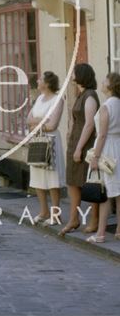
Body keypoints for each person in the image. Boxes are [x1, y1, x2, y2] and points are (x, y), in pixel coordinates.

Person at [59, 63, 100, 236]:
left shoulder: (90, 96)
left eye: (74, 72)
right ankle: (74, 218)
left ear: (81, 75)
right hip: (74, 143)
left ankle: (94, 220)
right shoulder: (81, 94)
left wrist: (79, 149)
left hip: (84, 145)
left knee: (89, 183)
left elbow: (90, 124)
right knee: (73, 182)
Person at [27, 71, 65, 225]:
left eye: (41, 79)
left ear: (48, 83)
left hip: (51, 142)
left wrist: (37, 124)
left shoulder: (58, 100)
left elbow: (52, 125)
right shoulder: (39, 99)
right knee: (37, 176)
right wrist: (42, 119)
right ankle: (43, 211)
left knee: (52, 178)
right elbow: (28, 119)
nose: (37, 80)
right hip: (37, 140)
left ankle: (56, 214)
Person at [87, 73, 120, 243]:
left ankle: (100, 233)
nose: (102, 82)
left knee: (105, 192)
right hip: (118, 147)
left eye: (105, 80)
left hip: (107, 150)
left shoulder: (106, 106)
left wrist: (95, 157)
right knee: (119, 191)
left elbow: (102, 135)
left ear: (110, 85)